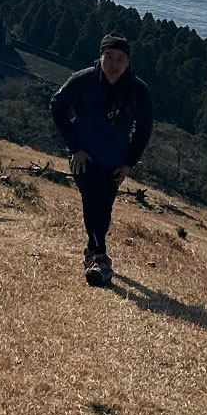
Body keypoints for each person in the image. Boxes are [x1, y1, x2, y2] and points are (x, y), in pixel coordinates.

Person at [50, 33, 154, 286]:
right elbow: (57, 105)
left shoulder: (138, 90)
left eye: (120, 58)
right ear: (100, 56)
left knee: (104, 205)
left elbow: (144, 128)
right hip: (84, 155)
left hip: (115, 159)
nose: (114, 63)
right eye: (109, 56)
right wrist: (74, 146)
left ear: (128, 62)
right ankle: (99, 255)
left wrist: (130, 162)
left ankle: (93, 251)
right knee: (91, 197)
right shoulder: (83, 80)